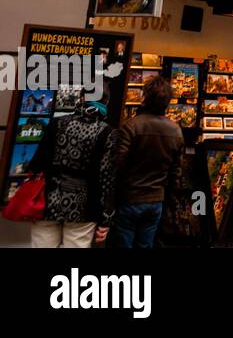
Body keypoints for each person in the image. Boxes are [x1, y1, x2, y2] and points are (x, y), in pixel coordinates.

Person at [28, 97, 115, 248]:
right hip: (84, 205)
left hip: (48, 199)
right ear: (106, 102)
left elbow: (37, 163)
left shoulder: (57, 123)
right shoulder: (108, 133)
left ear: (81, 98)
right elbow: (106, 179)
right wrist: (106, 219)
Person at [112, 75, 184, 248]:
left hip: (130, 198)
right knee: (146, 244)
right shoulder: (175, 131)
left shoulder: (131, 126)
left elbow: (118, 166)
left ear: (145, 98)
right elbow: (176, 173)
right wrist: (173, 202)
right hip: (156, 201)